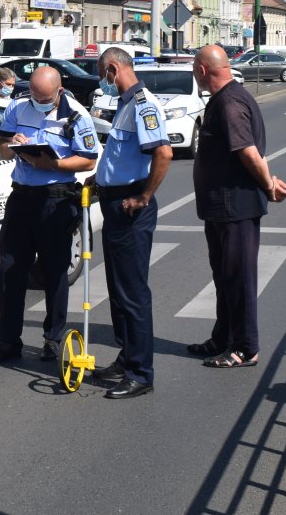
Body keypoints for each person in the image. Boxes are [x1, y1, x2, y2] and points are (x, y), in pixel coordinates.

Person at [0, 66, 98, 365]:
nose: (38, 101)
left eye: (44, 98)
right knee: (10, 270)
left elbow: (88, 160)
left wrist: (54, 165)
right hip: (22, 196)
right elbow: (1, 148)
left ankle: (53, 338)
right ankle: (8, 341)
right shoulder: (18, 107)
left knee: (55, 273)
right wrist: (12, 146)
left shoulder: (76, 115)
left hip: (56, 199)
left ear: (59, 91)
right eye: (34, 95)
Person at [190, 45, 286, 369]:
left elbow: (247, 151)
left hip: (235, 207)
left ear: (204, 71)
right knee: (223, 276)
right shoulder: (225, 99)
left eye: (195, 67)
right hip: (222, 207)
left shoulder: (230, 102)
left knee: (238, 278)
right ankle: (223, 338)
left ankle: (245, 347)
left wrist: (267, 184)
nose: (194, 73)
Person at [90, 48, 173, 399]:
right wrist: (99, 182)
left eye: (102, 74)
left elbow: (163, 153)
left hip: (130, 208)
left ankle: (141, 373)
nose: (103, 81)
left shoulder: (142, 104)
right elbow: (120, 155)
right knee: (118, 290)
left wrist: (144, 196)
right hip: (114, 203)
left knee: (133, 293)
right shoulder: (126, 102)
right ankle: (127, 358)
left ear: (112, 69)